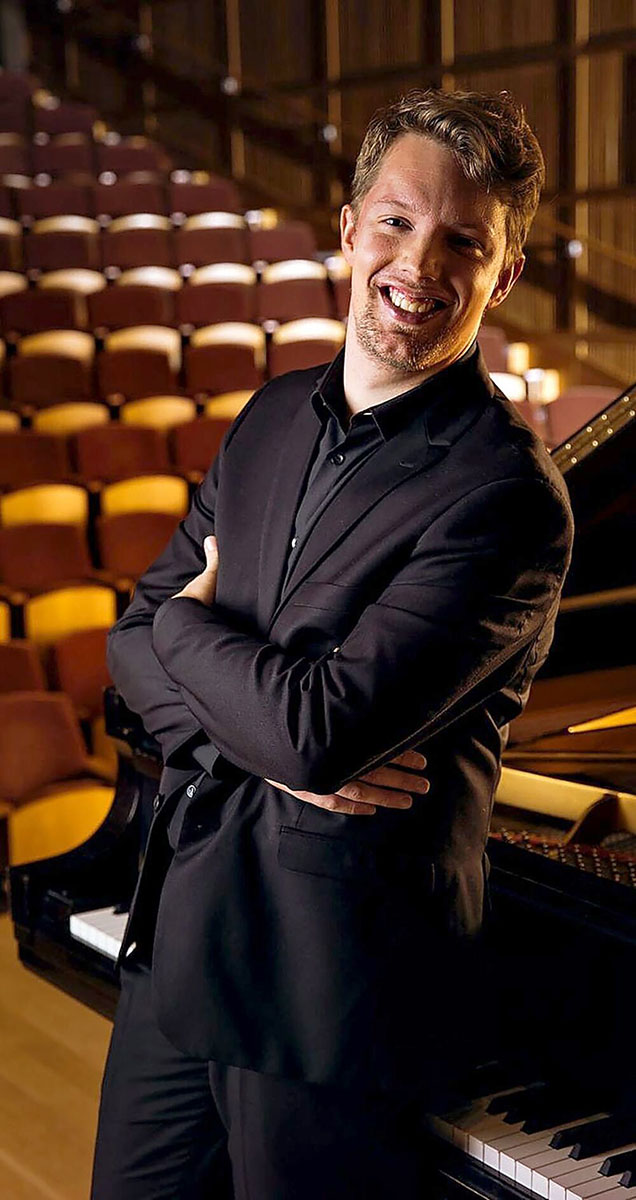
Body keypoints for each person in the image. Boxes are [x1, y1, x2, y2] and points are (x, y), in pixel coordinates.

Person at [92, 89, 574, 1199]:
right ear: (352, 228)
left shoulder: (504, 495)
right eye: (398, 221)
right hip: (184, 944)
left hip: (330, 996)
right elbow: (129, 648)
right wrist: (253, 728)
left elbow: (316, 732)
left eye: (464, 242)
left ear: (502, 276)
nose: (420, 263)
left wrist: (189, 627)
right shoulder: (267, 419)